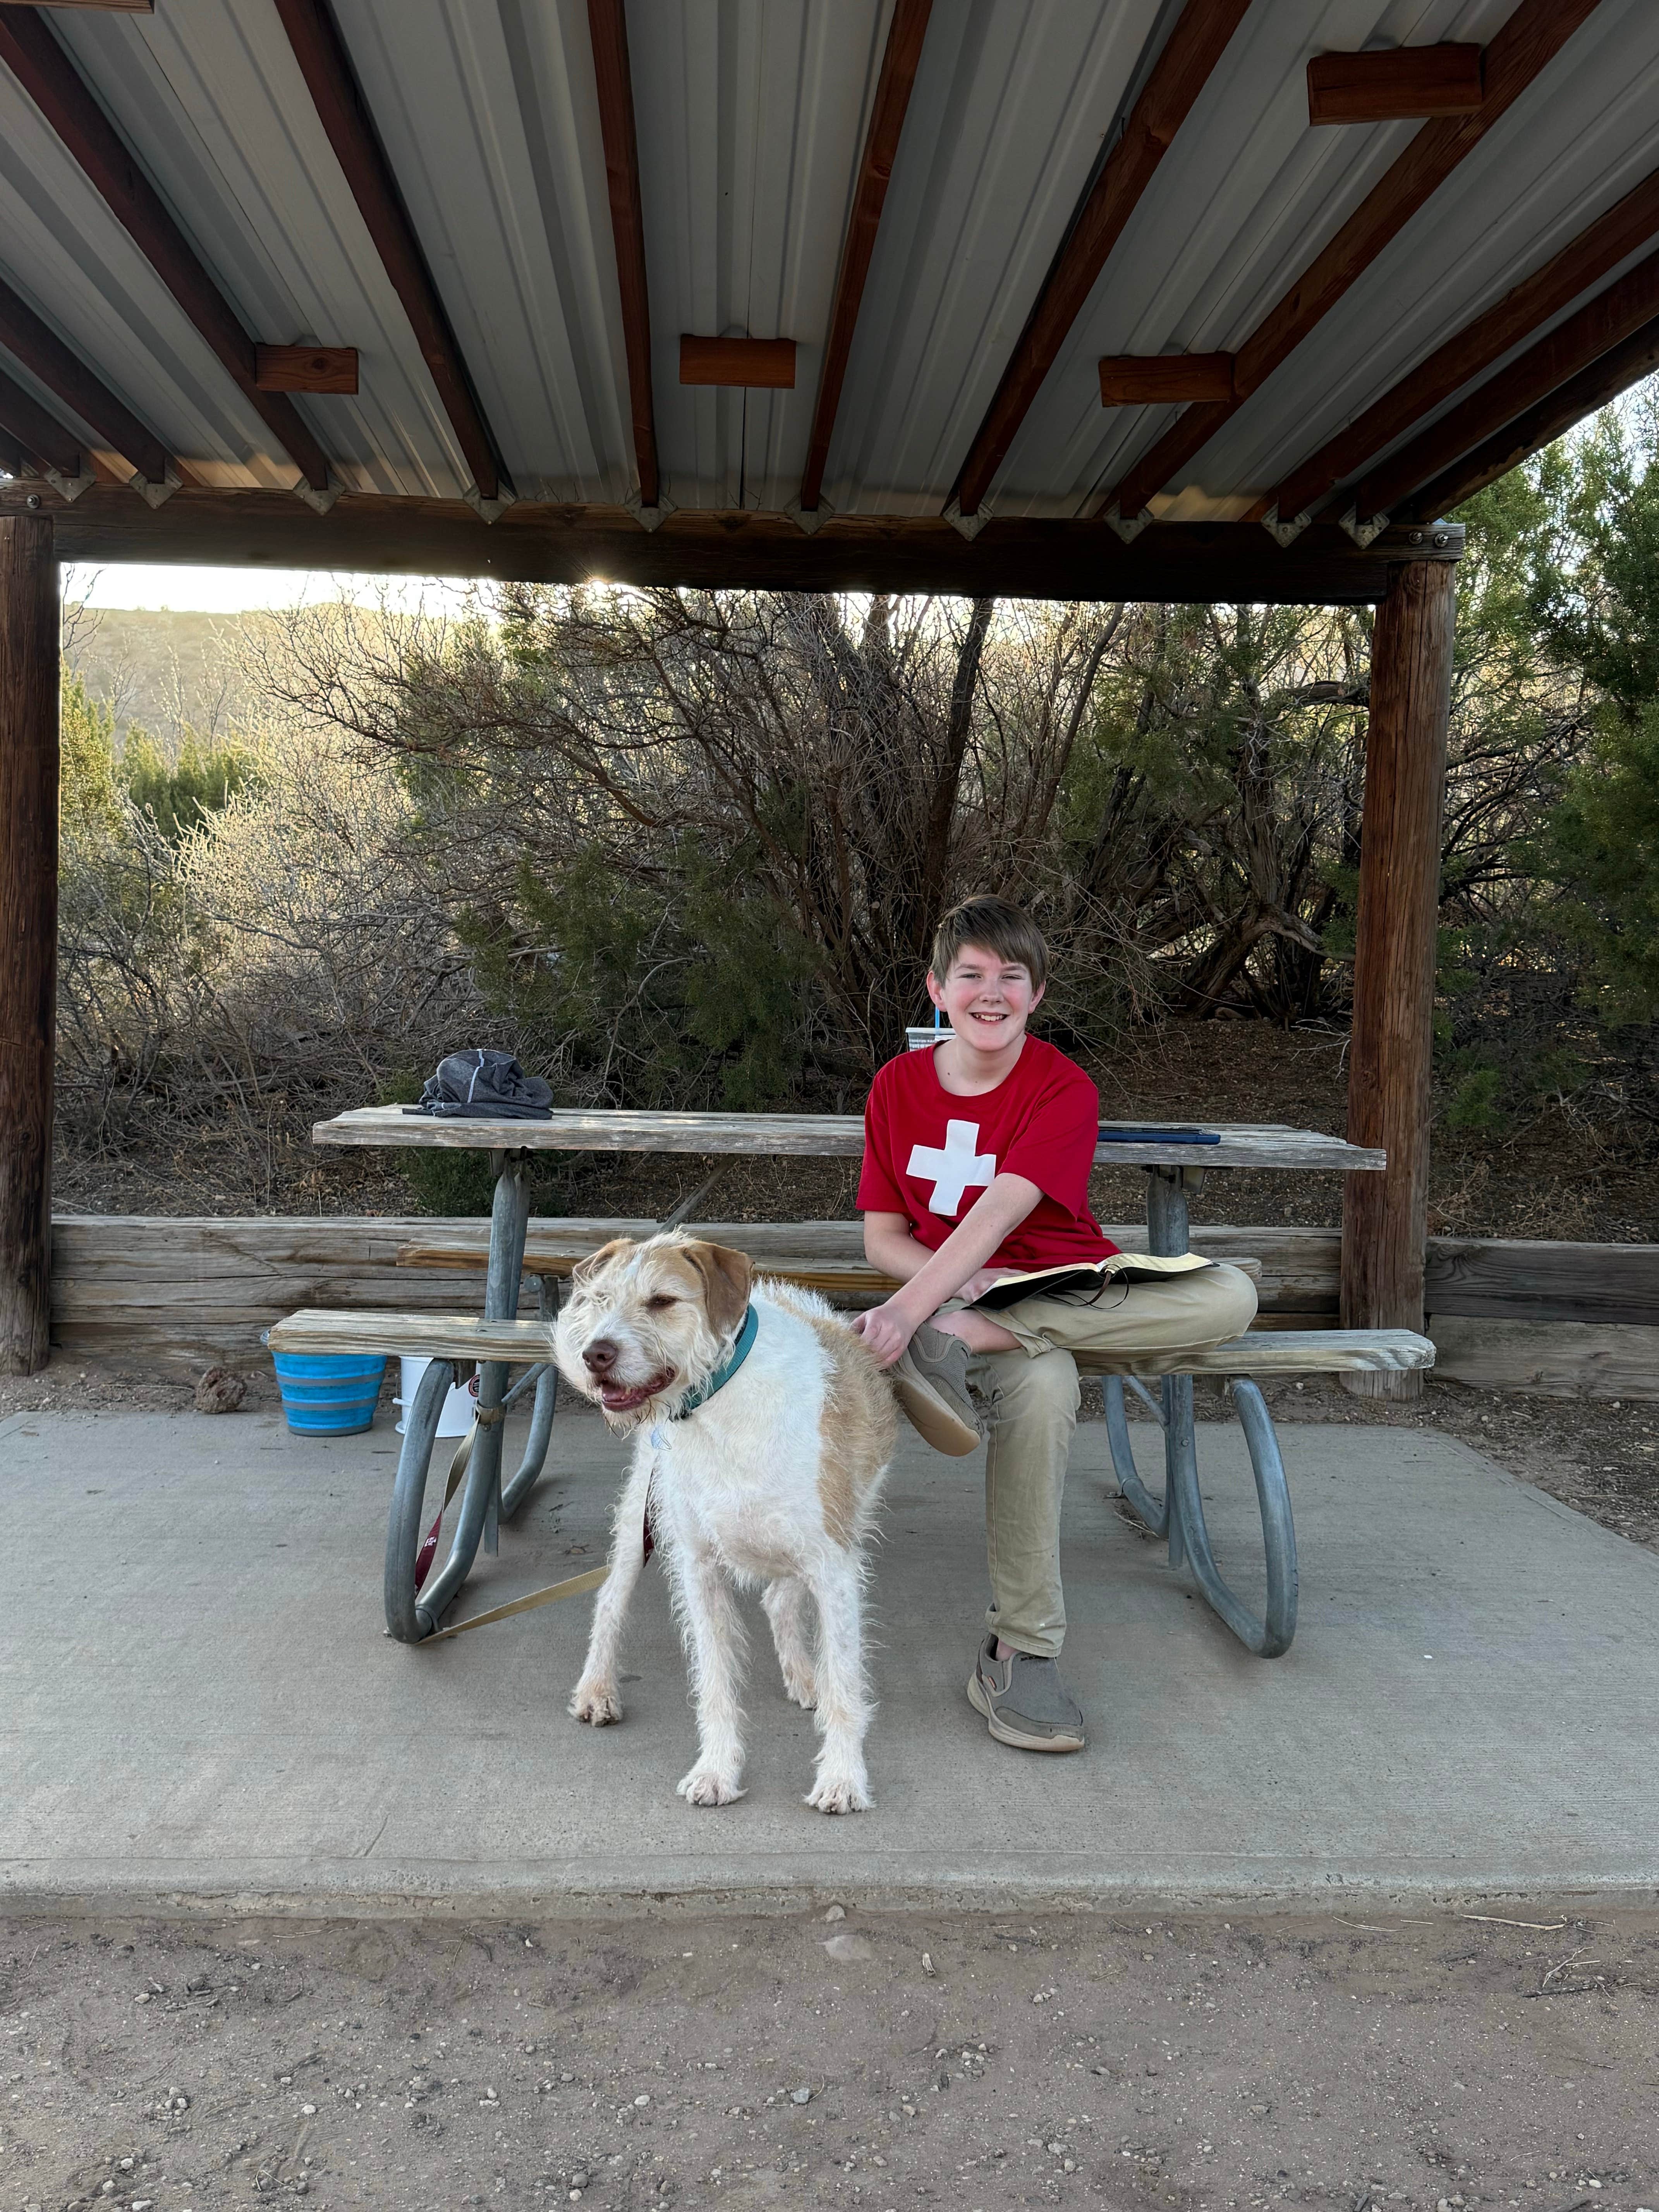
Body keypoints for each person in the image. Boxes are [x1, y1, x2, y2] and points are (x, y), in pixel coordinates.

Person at [852, 895, 1257, 1755]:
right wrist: (939, 1290)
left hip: (1061, 1288)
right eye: (971, 975)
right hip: (962, 1298)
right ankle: (1020, 1650)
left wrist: (939, 1315)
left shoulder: (1060, 1086)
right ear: (936, 988)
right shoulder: (895, 1087)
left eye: (1012, 976)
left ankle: (967, 1341)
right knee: (1043, 1389)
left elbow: (1002, 1211)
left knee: (1234, 1295)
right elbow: (883, 1237)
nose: (990, 992)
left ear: (1038, 995)